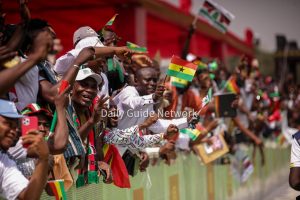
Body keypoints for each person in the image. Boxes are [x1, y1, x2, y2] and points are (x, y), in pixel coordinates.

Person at [0, 99, 49, 200]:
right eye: (8, 124)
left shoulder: (5, 162)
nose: (13, 131)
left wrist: (43, 159)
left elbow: (29, 198)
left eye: (15, 126)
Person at [71, 68, 112, 186]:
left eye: (94, 87)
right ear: (72, 86)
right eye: (83, 84)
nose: (89, 90)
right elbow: (70, 146)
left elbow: (96, 149)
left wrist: (100, 163)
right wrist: (91, 122)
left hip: (82, 184)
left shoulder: (93, 113)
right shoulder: (63, 111)